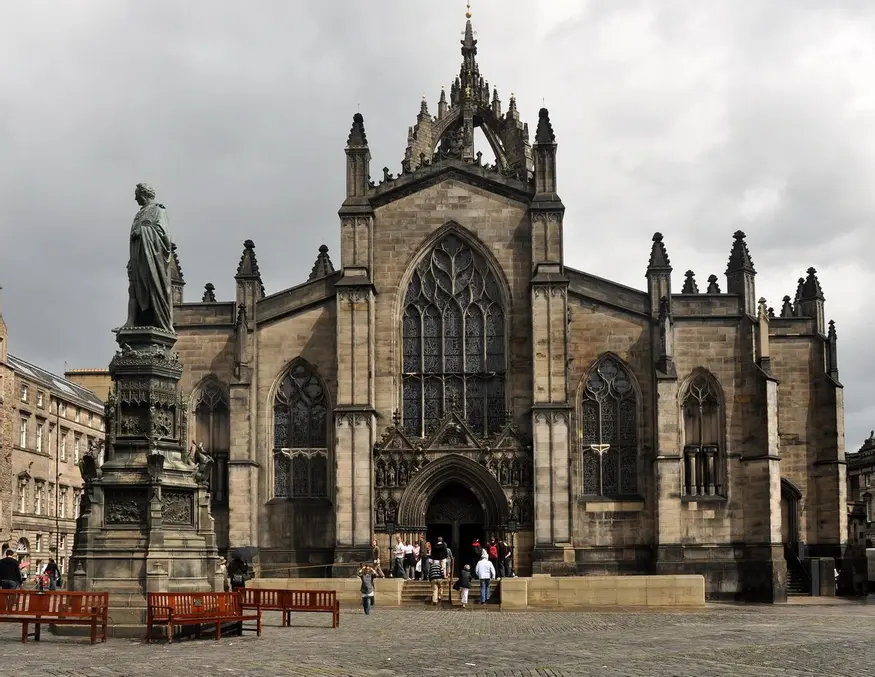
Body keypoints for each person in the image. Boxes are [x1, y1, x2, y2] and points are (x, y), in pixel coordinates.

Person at [124, 182, 174, 332]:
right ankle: (131, 321)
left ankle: (159, 322)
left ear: (144, 194)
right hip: (137, 257)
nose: (135, 198)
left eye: (136, 195)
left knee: (154, 288)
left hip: (152, 260)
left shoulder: (158, 210)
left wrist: (143, 231)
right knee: (133, 288)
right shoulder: (139, 213)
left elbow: (165, 236)